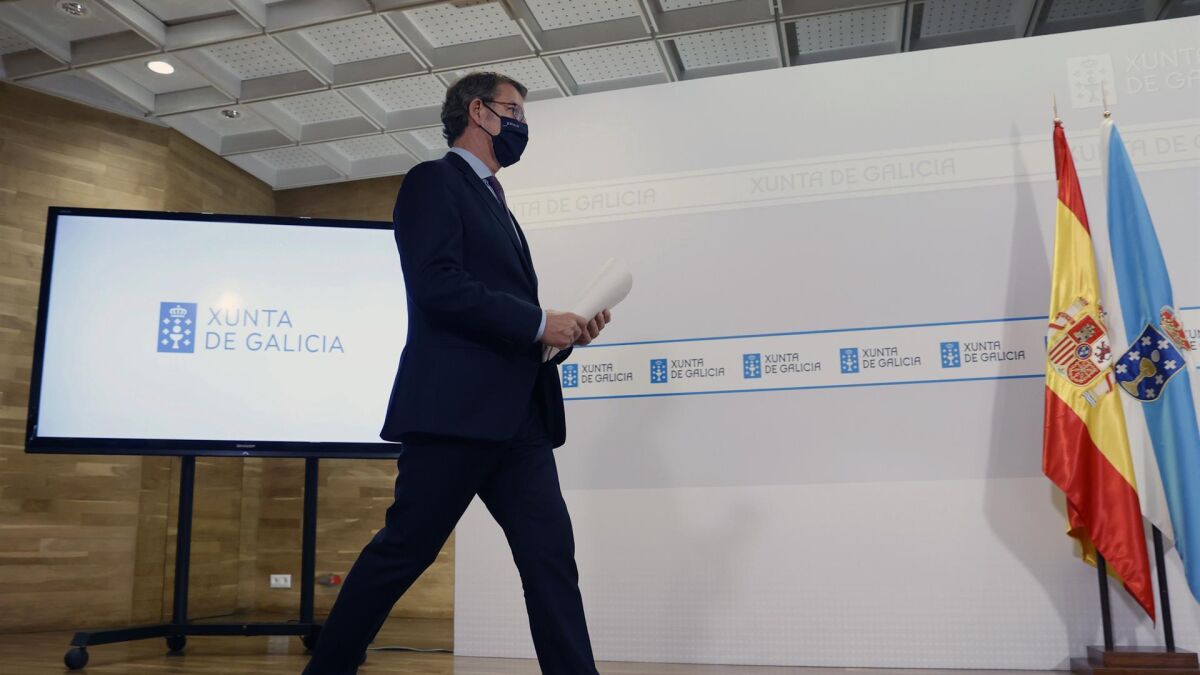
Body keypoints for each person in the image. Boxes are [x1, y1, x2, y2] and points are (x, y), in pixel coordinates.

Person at [300, 72, 609, 675]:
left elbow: (504, 314)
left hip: (521, 422)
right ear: (479, 112)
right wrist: (536, 322)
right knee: (403, 552)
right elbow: (438, 286)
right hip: (454, 418)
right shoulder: (433, 181)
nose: (522, 124)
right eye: (514, 110)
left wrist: (561, 335)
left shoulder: (498, 203)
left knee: (550, 558)